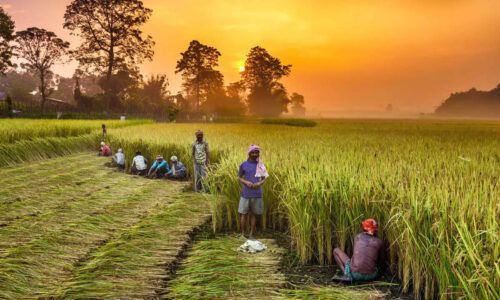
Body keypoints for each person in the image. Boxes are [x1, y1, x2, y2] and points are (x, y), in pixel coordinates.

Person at [238, 145, 268, 239]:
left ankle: (251, 234)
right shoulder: (243, 165)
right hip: (246, 193)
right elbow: (239, 178)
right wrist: (246, 182)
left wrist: (259, 184)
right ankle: (243, 234)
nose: (255, 154)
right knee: (244, 214)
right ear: (249, 153)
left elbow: (263, 179)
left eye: (257, 152)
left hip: (257, 193)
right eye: (253, 152)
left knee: (254, 214)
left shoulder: (261, 165)